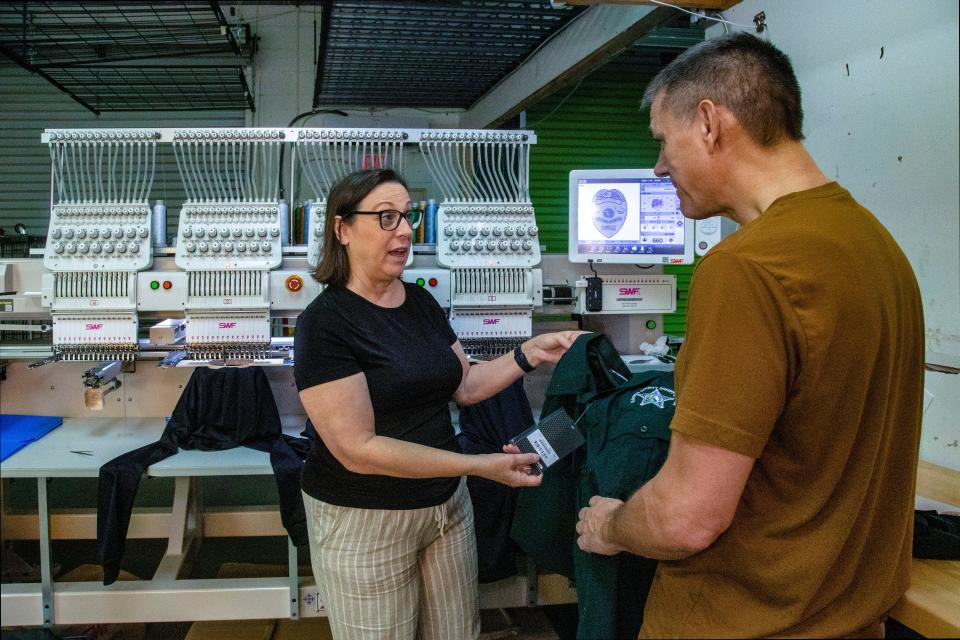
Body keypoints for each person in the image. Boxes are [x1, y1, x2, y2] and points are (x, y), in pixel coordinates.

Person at [576, 32, 924, 638]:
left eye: (663, 142)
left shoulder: (746, 267)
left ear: (710, 124)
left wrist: (612, 525)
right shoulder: (877, 247)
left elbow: (686, 518)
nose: (659, 167)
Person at [293, 168, 581, 640]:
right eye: (386, 217)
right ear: (342, 229)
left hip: (447, 510)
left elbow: (464, 384)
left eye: (408, 217)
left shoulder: (420, 302)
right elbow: (358, 448)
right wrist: (476, 465)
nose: (405, 230)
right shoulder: (325, 324)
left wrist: (531, 352)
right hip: (366, 520)